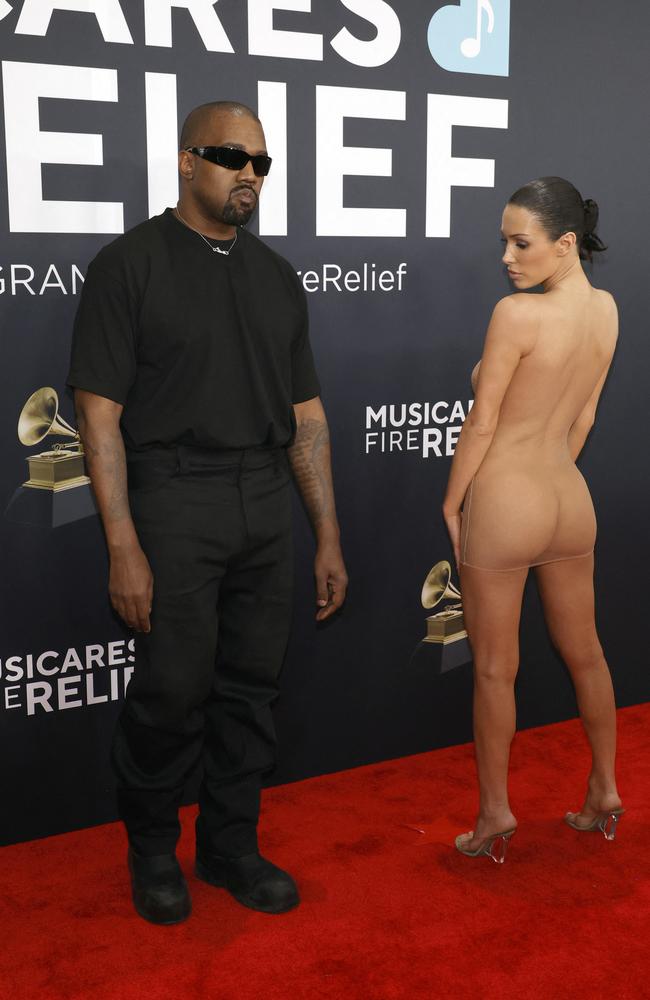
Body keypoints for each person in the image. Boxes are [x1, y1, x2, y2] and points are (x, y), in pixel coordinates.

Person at [67, 101, 348, 922]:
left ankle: (230, 846)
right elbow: (100, 419)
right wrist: (122, 542)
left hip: (265, 499)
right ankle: (152, 848)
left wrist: (326, 533)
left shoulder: (276, 276)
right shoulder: (130, 264)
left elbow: (308, 416)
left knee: (250, 690)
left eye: (262, 162)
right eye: (232, 156)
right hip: (173, 497)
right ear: (188, 160)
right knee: (172, 688)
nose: (249, 174)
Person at [442, 177, 622, 863]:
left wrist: (454, 500)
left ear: (565, 243)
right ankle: (604, 788)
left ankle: (494, 816)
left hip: (508, 499)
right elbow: (583, 417)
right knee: (589, 652)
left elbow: (483, 422)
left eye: (521, 242)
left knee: (494, 669)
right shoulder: (606, 311)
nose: (508, 258)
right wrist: (550, 472)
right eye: (505, 243)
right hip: (569, 498)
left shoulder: (516, 315)